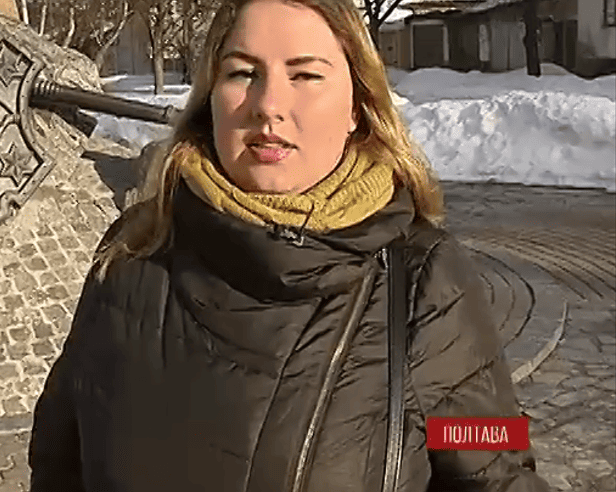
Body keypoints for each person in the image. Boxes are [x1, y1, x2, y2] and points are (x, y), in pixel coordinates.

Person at [28, 0, 553, 490]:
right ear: (210, 97)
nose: (268, 106)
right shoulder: (134, 249)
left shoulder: (425, 281)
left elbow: (497, 466)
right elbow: (59, 457)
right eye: (242, 73)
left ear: (358, 105)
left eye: (305, 75)